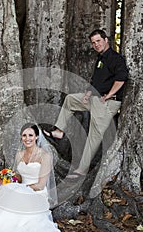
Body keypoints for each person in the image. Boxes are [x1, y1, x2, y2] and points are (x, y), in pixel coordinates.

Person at [44, 29, 128, 179]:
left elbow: (121, 78)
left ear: (106, 40)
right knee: (70, 99)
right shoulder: (100, 59)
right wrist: (88, 94)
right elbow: (96, 80)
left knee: (93, 136)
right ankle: (59, 131)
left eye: (98, 41)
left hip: (108, 103)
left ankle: (82, 170)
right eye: (93, 42)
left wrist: (108, 96)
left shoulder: (116, 59)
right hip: (95, 99)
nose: (96, 44)